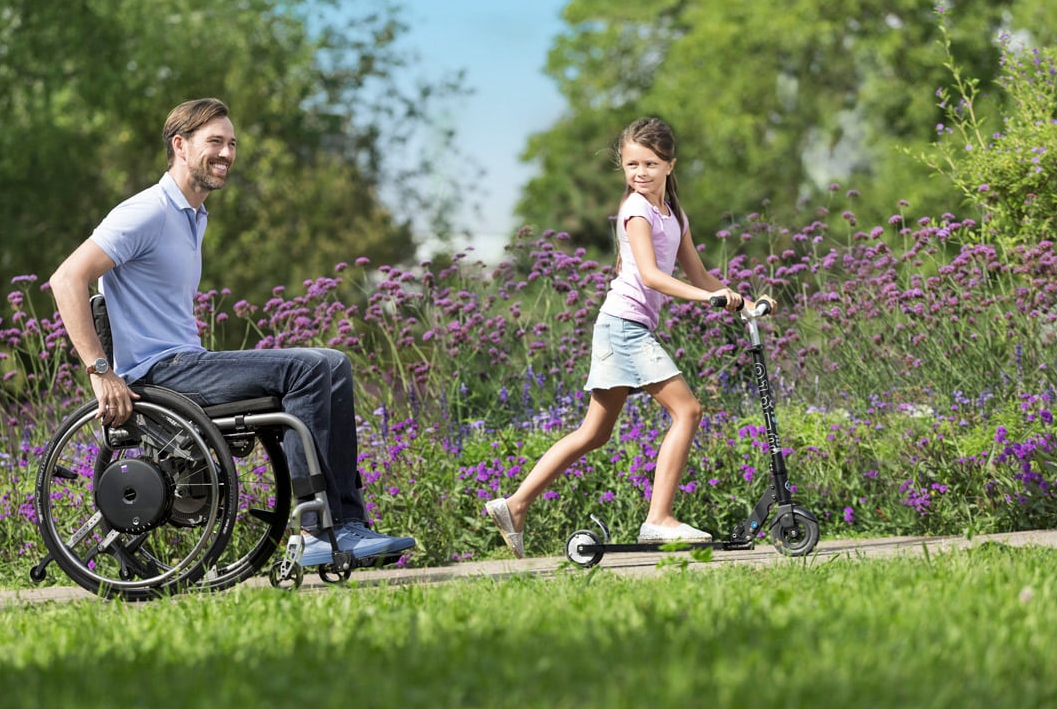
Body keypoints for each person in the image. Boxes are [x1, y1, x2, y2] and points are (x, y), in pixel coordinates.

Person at [49, 97, 414, 567]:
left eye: (232, 144)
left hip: (184, 361)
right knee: (304, 370)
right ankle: (316, 531)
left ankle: (346, 524)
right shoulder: (146, 212)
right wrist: (101, 372)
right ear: (180, 146)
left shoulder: (193, 216)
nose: (226, 153)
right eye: (215, 142)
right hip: (161, 372)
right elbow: (66, 279)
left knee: (334, 363)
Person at [484, 116, 773, 558]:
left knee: (594, 433)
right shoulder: (636, 211)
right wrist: (705, 300)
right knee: (688, 411)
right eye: (631, 164)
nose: (640, 173)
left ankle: (515, 503)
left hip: (623, 327)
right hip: (624, 326)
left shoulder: (673, 213)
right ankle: (659, 519)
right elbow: (654, 277)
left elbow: (698, 272)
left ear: (670, 166)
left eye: (650, 164)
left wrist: (743, 303)